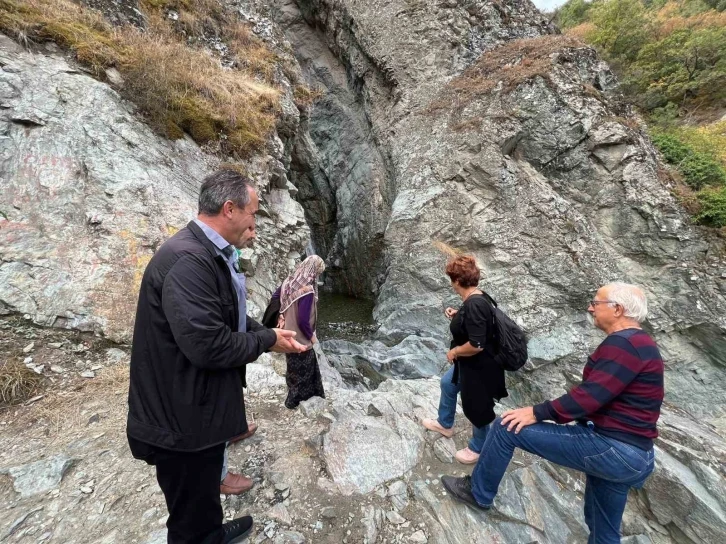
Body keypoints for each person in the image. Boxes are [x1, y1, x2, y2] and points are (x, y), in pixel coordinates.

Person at [127, 169, 308, 544]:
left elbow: (230, 315)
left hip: (196, 408)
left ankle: (211, 532)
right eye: (253, 213)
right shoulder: (189, 262)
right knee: (189, 507)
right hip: (180, 420)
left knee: (203, 487)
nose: (255, 222)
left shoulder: (205, 251)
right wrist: (267, 340)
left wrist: (269, 333)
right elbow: (208, 346)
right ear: (229, 209)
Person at [442, 283, 663, 544]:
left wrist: (538, 412)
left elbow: (589, 397)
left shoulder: (624, 345)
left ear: (618, 309)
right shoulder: (642, 343)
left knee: (505, 427)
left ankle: (478, 493)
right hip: (634, 454)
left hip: (612, 448)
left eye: (596, 303)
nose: (590, 307)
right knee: (603, 530)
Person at [422, 255, 507, 464]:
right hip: (470, 364)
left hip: (480, 365)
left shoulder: (475, 304)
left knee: (477, 405)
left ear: (458, 281)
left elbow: (476, 344)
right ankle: (445, 423)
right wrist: (457, 315)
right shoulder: (477, 298)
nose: (451, 283)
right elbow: (477, 324)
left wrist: (455, 352)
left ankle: (479, 448)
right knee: (447, 384)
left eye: (451, 279)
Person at [276, 255, 327, 409]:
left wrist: (281, 315)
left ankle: (291, 398)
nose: (317, 276)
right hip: (300, 338)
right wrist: (312, 337)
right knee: (306, 369)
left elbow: (275, 297)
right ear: (314, 272)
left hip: (287, 335)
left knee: (292, 367)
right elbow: (303, 320)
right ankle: (298, 401)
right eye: (318, 272)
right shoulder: (307, 291)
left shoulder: (289, 282)